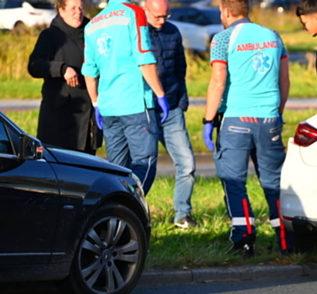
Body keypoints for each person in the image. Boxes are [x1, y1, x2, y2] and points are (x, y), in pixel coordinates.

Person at [203, 0, 292, 257]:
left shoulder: (222, 39)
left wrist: (208, 121)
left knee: (234, 182)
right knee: (274, 182)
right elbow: (284, 79)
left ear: (226, 11)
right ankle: (286, 241)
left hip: (237, 121)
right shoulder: (273, 36)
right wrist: (277, 112)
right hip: (269, 119)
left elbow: (218, 82)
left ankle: (243, 240)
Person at [82, 0, 169, 195]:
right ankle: (127, 209)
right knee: (144, 164)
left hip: (108, 107)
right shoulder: (134, 13)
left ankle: (113, 217)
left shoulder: (92, 24)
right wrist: (160, 95)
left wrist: (96, 102)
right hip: (135, 103)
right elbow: (144, 59)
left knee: (116, 170)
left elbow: (89, 70)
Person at [144, 0, 197, 228]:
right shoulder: (135, 33)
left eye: (166, 16)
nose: (162, 21)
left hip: (172, 107)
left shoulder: (172, 31)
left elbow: (180, 68)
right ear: (145, 9)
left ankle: (182, 215)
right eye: (157, 17)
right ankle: (136, 215)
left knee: (187, 163)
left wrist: (182, 99)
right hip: (145, 109)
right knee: (144, 166)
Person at [28, 0, 101, 155]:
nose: (78, 12)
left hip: (89, 115)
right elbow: (34, 66)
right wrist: (61, 69)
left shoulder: (92, 33)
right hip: (60, 118)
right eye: (73, 8)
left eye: (81, 8)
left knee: (87, 168)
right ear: (61, 11)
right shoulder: (51, 36)